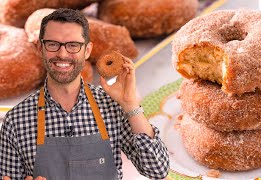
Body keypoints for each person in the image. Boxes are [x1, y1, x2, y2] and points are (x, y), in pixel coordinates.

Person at [0, 8, 169, 180]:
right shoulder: (16, 120)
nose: (63, 54)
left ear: (87, 51)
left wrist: (131, 105)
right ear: (41, 49)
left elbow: (157, 169)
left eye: (73, 45)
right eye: (52, 44)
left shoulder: (111, 107)